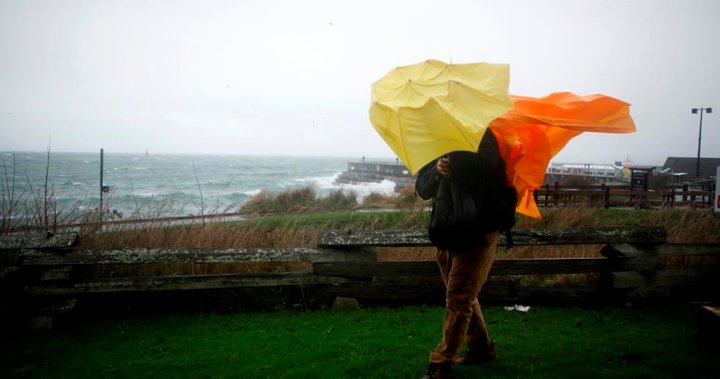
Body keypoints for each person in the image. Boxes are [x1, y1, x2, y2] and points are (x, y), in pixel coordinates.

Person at [415, 131, 515, 379]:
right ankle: (480, 348)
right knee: (461, 293)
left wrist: (455, 164)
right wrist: (438, 169)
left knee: (459, 296)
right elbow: (423, 188)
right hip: (447, 229)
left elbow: (487, 165)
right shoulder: (436, 137)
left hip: (480, 227)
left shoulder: (483, 132)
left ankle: (442, 361)